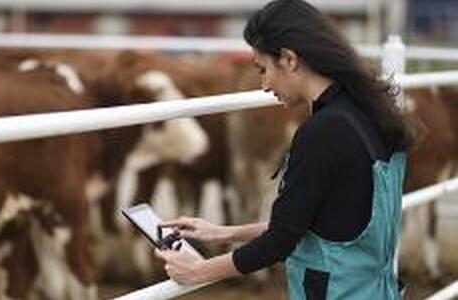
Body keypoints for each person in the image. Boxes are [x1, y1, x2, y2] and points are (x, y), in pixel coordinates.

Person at [154, 0, 415, 298]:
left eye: (263, 69)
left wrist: (198, 271)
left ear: (289, 59)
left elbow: (280, 241)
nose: (263, 84)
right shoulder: (369, 114)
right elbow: (322, 222)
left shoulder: (324, 131)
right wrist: (224, 232)